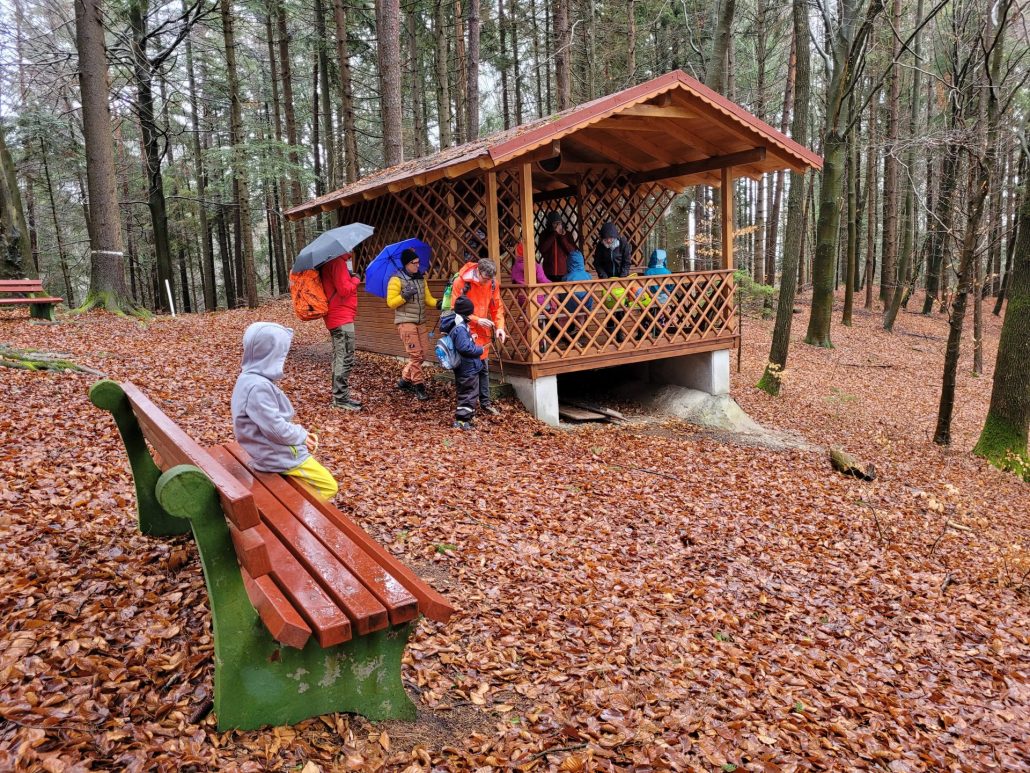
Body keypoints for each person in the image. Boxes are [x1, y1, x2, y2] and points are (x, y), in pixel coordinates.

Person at [231, 322, 338, 500]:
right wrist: (302, 436)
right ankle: (302, 509)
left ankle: (297, 501)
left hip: (263, 450)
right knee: (328, 486)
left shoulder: (247, 379)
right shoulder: (258, 388)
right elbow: (276, 430)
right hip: (275, 456)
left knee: (306, 475)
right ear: (272, 354)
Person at [450, 257, 507, 415]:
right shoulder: (461, 283)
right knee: (468, 371)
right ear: (478, 271)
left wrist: (500, 327)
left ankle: (485, 403)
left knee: (483, 368)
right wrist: (477, 319)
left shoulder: (492, 283)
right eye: (485, 278)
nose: (487, 282)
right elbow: (455, 309)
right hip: (465, 331)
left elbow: (497, 307)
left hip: (483, 331)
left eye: (490, 279)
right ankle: (466, 407)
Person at [386, 248, 441, 401]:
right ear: (406, 264)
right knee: (416, 355)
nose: (418, 265)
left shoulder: (421, 279)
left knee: (422, 355)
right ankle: (419, 386)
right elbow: (391, 303)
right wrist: (404, 295)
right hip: (405, 322)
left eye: (418, 262)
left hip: (421, 322)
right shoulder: (396, 280)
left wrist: (439, 303)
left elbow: (428, 299)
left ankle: (404, 380)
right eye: (414, 263)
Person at [320, 251, 362, 411]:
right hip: (341, 317)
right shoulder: (337, 262)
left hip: (338, 316)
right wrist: (356, 279)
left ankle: (340, 397)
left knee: (340, 357)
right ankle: (340, 399)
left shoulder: (332, 262)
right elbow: (344, 289)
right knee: (345, 357)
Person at [443, 296, 484, 429]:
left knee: (467, 393)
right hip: (467, 367)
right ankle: (462, 420)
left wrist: (471, 338)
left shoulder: (458, 324)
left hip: (465, 367)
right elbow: (464, 348)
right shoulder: (460, 328)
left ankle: (465, 419)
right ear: (467, 312)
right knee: (468, 394)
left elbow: (463, 343)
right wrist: (480, 349)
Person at [538, 211, 577, 281]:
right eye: (555, 223)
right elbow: (542, 249)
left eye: (559, 223)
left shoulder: (567, 234)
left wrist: (562, 237)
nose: (557, 225)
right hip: (549, 271)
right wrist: (554, 234)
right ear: (550, 224)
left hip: (564, 271)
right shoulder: (544, 234)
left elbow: (571, 251)